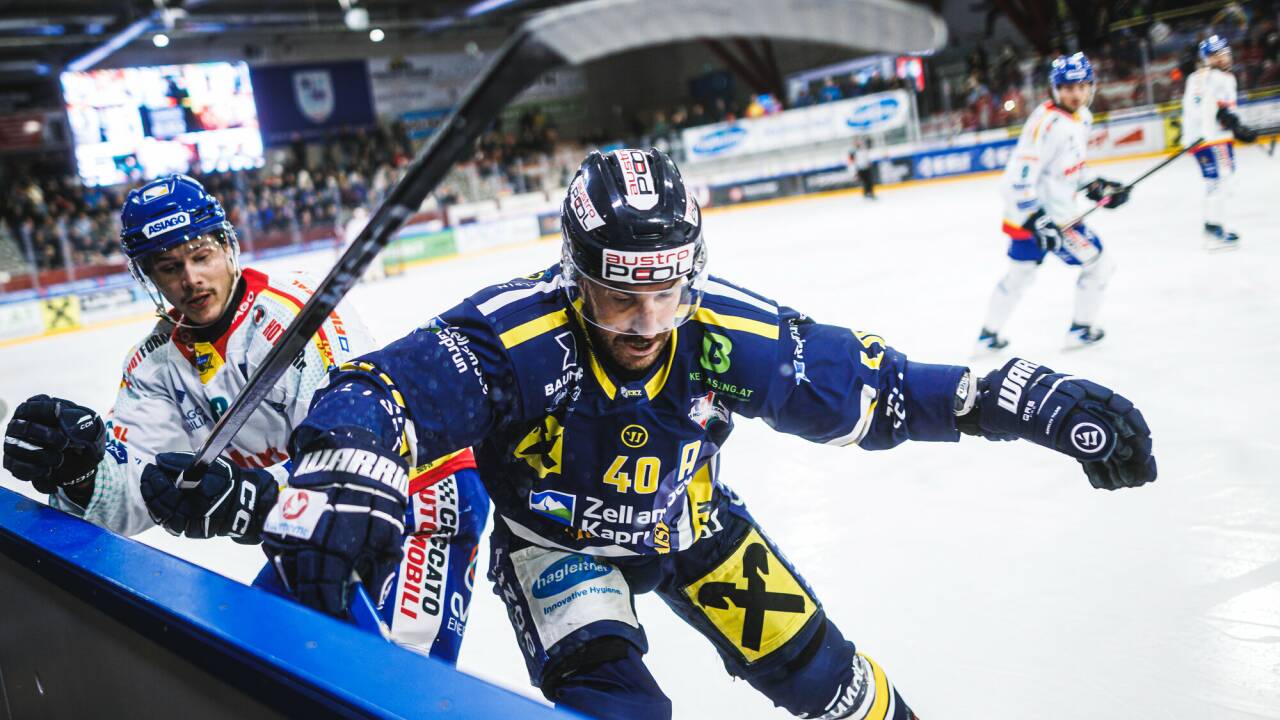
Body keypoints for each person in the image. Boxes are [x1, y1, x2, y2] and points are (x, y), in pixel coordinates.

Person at [247, 148, 1155, 720]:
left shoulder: (727, 334)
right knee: (622, 710)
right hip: (558, 553)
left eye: (667, 289)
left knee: (829, 683)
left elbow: (880, 389)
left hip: (693, 526)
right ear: (573, 278)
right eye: (618, 294)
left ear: (694, 271)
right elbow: (383, 388)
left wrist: (1023, 397)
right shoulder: (518, 334)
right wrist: (347, 463)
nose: (646, 323)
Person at [1, 174, 488, 663]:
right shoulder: (154, 364)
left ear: (227, 247)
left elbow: (361, 449)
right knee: (275, 667)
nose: (190, 279)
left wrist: (253, 495)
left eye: (201, 256)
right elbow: (132, 491)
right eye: (170, 267)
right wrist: (81, 472)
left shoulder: (299, 318)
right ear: (149, 277)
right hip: (307, 522)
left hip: (416, 494)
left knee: (394, 683)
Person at [976, 53, 1131, 352]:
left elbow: (1070, 166)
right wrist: (1036, 218)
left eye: (1083, 86)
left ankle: (987, 335)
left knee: (1020, 275)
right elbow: (1016, 180)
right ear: (1055, 89)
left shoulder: (1081, 118)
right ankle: (1080, 330)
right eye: (1069, 88)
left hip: (1042, 214)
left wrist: (1096, 186)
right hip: (1047, 217)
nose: (1077, 94)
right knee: (1100, 265)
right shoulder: (1045, 125)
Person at [1181, 34, 1259, 250]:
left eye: (1224, 53)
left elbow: (1227, 111)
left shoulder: (1228, 78)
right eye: (1215, 55)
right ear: (1206, 58)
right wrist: (1224, 118)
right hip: (1206, 139)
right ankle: (1213, 231)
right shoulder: (1201, 77)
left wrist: (1235, 126)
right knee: (1220, 181)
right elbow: (1197, 109)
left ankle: (1213, 229)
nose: (1222, 58)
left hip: (1219, 138)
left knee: (1223, 182)